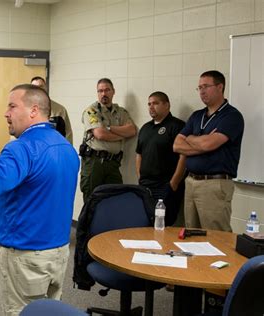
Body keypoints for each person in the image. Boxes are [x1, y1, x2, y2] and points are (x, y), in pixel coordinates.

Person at [0, 84, 79, 315]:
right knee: (50, 311)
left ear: (33, 110)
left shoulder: (22, 148)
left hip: (27, 257)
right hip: (58, 252)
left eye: (12, 106)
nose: (5, 113)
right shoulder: (65, 146)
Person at [173, 70, 244, 232]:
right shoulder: (197, 116)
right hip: (191, 182)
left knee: (216, 237)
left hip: (214, 184)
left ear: (220, 87)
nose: (202, 91)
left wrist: (190, 138)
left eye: (206, 86)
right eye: (199, 88)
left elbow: (208, 145)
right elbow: (176, 145)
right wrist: (201, 142)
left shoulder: (232, 116)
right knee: (191, 234)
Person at [80, 78, 137, 202]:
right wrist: (122, 135)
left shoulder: (121, 112)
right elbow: (100, 134)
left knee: (115, 199)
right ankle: (88, 223)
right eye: (100, 91)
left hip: (113, 163)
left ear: (113, 91)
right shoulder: (92, 111)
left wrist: (109, 128)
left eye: (107, 90)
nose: (103, 94)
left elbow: (132, 130)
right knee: (91, 201)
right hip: (94, 163)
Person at [136, 91, 186, 226]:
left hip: (165, 185)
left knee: (163, 224)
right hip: (146, 185)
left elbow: (184, 156)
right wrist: (140, 176)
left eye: (156, 103)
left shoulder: (177, 126)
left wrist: (174, 183)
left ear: (167, 105)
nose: (151, 107)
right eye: (149, 104)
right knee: (144, 223)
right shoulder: (145, 128)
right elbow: (139, 154)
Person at [30, 76, 73, 144]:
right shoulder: (26, 110)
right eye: (35, 87)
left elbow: (68, 135)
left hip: (54, 151)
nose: (38, 89)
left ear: (46, 88)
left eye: (41, 86)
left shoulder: (60, 110)